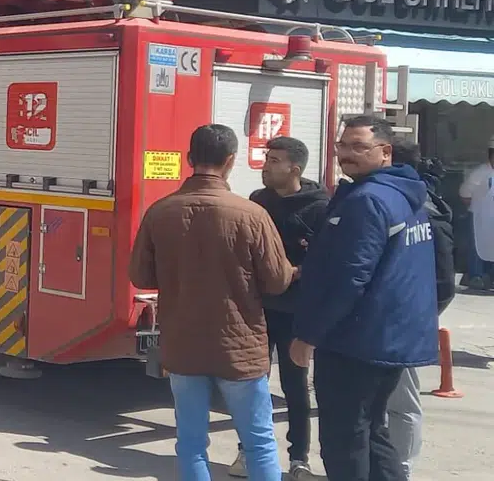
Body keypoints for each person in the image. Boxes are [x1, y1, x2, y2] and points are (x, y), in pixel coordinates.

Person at [130, 124, 294, 481]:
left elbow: (140, 277)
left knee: (189, 441)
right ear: (231, 161)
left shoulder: (161, 211)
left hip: (183, 342)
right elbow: (277, 281)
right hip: (240, 347)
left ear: (190, 159)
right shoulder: (251, 214)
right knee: (259, 441)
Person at [291, 115, 439, 481]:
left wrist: (309, 334)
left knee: (345, 441)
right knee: (373, 430)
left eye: (359, 147)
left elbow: (349, 277)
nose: (347, 154)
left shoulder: (369, 200)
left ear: (385, 152)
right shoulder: (403, 193)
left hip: (358, 341)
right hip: (389, 337)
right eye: (343, 146)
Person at [228, 137, 327, 481]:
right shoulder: (259, 201)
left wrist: (294, 272)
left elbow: (325, 261)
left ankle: (299, 458)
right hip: (257, 309)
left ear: (294, 169)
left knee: (295, 386)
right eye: (266, 158)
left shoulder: (319, 206)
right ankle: (247, 451)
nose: (266, 166)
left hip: (295, 311)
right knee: (251, 383)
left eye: (274, 160)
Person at [385, 140, 455, 480]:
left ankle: (400, 470)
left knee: (402, 403)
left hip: (404, 325)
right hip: (372, 328)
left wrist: (421, 315)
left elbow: (445, 281)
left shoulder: (425, 209)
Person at [458, 137, 494, 289]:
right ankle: (476, 276)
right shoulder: (480, 173)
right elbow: (465, 194)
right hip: (479, 217)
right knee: (477, 247)